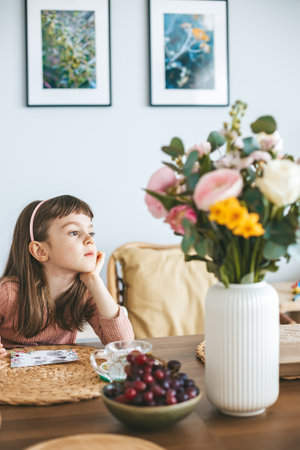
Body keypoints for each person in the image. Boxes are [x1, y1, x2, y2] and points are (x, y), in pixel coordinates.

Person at [0, 195, 134, 357]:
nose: (89, 240)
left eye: (91, 232)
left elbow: (122, 345)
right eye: (74, 232)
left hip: (61, 376)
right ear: (40, 251)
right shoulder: (8, 292)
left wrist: (94, 280)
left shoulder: (85, 291)